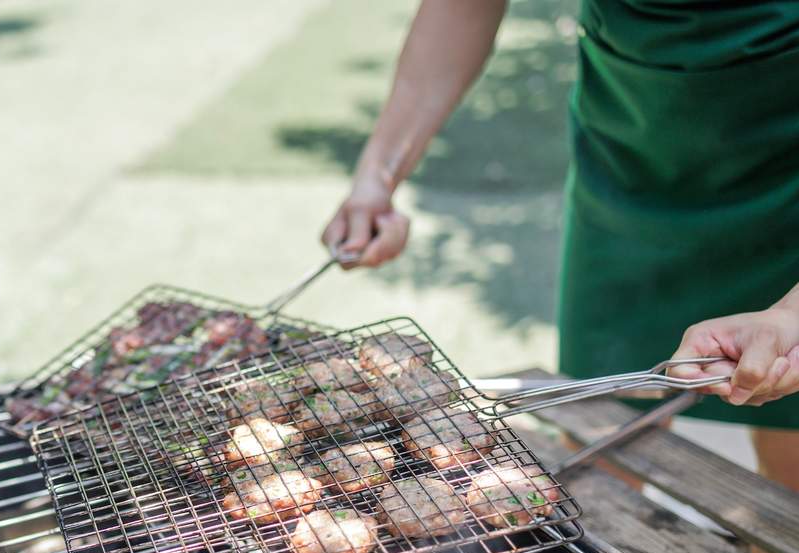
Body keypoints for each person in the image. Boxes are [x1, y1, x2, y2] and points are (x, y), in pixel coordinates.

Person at [320, 0, 799, 491]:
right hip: (633, 154)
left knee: (791, 477)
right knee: (603, 451)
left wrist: (792, 316)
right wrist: (378, 177)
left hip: (789, 171)